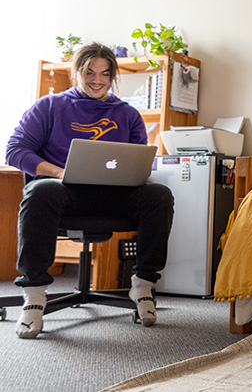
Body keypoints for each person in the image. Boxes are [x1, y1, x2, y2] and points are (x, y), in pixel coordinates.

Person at [5, 43, 174, 339]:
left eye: (105, 74)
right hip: (64, 193)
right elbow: (15, 151)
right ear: (77, 73)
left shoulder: (128, 114)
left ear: (113, 76)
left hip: (112, 196)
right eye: (90, 73)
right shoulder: (49, 106)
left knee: (159, 194)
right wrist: (59, 173)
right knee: (41, 191)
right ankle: (34, 294)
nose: (97, 80)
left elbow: (139, 160)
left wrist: (138, 172)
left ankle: (143, 284)